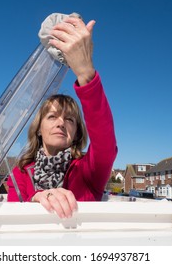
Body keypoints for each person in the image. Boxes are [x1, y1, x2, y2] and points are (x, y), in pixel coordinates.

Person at [7, 16, 117, 219]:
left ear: (76, 133)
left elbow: (105, 143)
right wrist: (36, 198)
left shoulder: (88, 170)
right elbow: (12, 213)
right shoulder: (20, 172)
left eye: (69, 119)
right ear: (38, 128)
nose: (61, 123)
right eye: (52, 116)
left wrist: (85, 72)